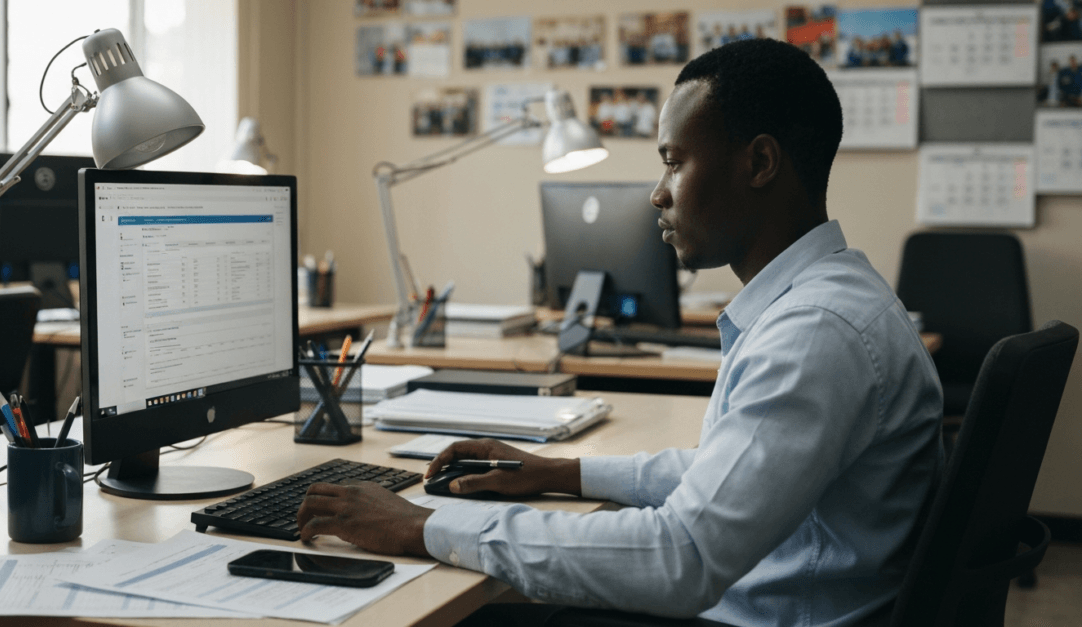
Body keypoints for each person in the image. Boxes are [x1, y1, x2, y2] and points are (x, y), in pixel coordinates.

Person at [297, 38, 943, 627]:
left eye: (674, 162)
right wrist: (559, 471)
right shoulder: (826, 302)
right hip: (768, 603)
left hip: (758, 617)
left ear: (761, 162)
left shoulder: (816, 332)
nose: (659, 195)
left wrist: (425, 524)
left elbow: (681, 556)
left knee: (452, 609)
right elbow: (727, 472)